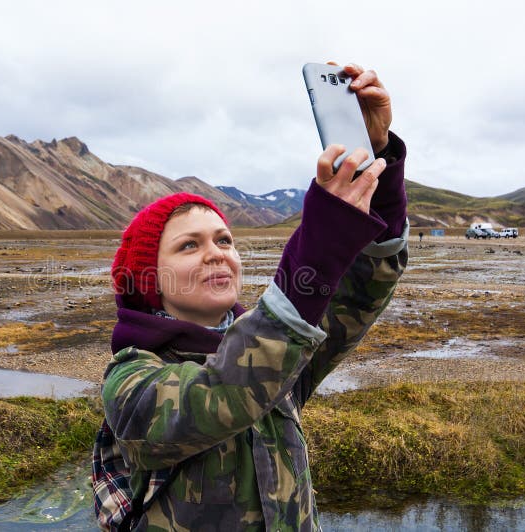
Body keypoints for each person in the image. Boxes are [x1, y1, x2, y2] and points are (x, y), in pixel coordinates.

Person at [92, 63, 408, 531]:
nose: (216, 254)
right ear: (150, 281)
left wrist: (375, 161)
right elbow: (223, 391)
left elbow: (358, 294)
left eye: (223, 240)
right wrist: (316, 247)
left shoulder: (282, 353)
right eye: (189, 245)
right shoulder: (132, 382)